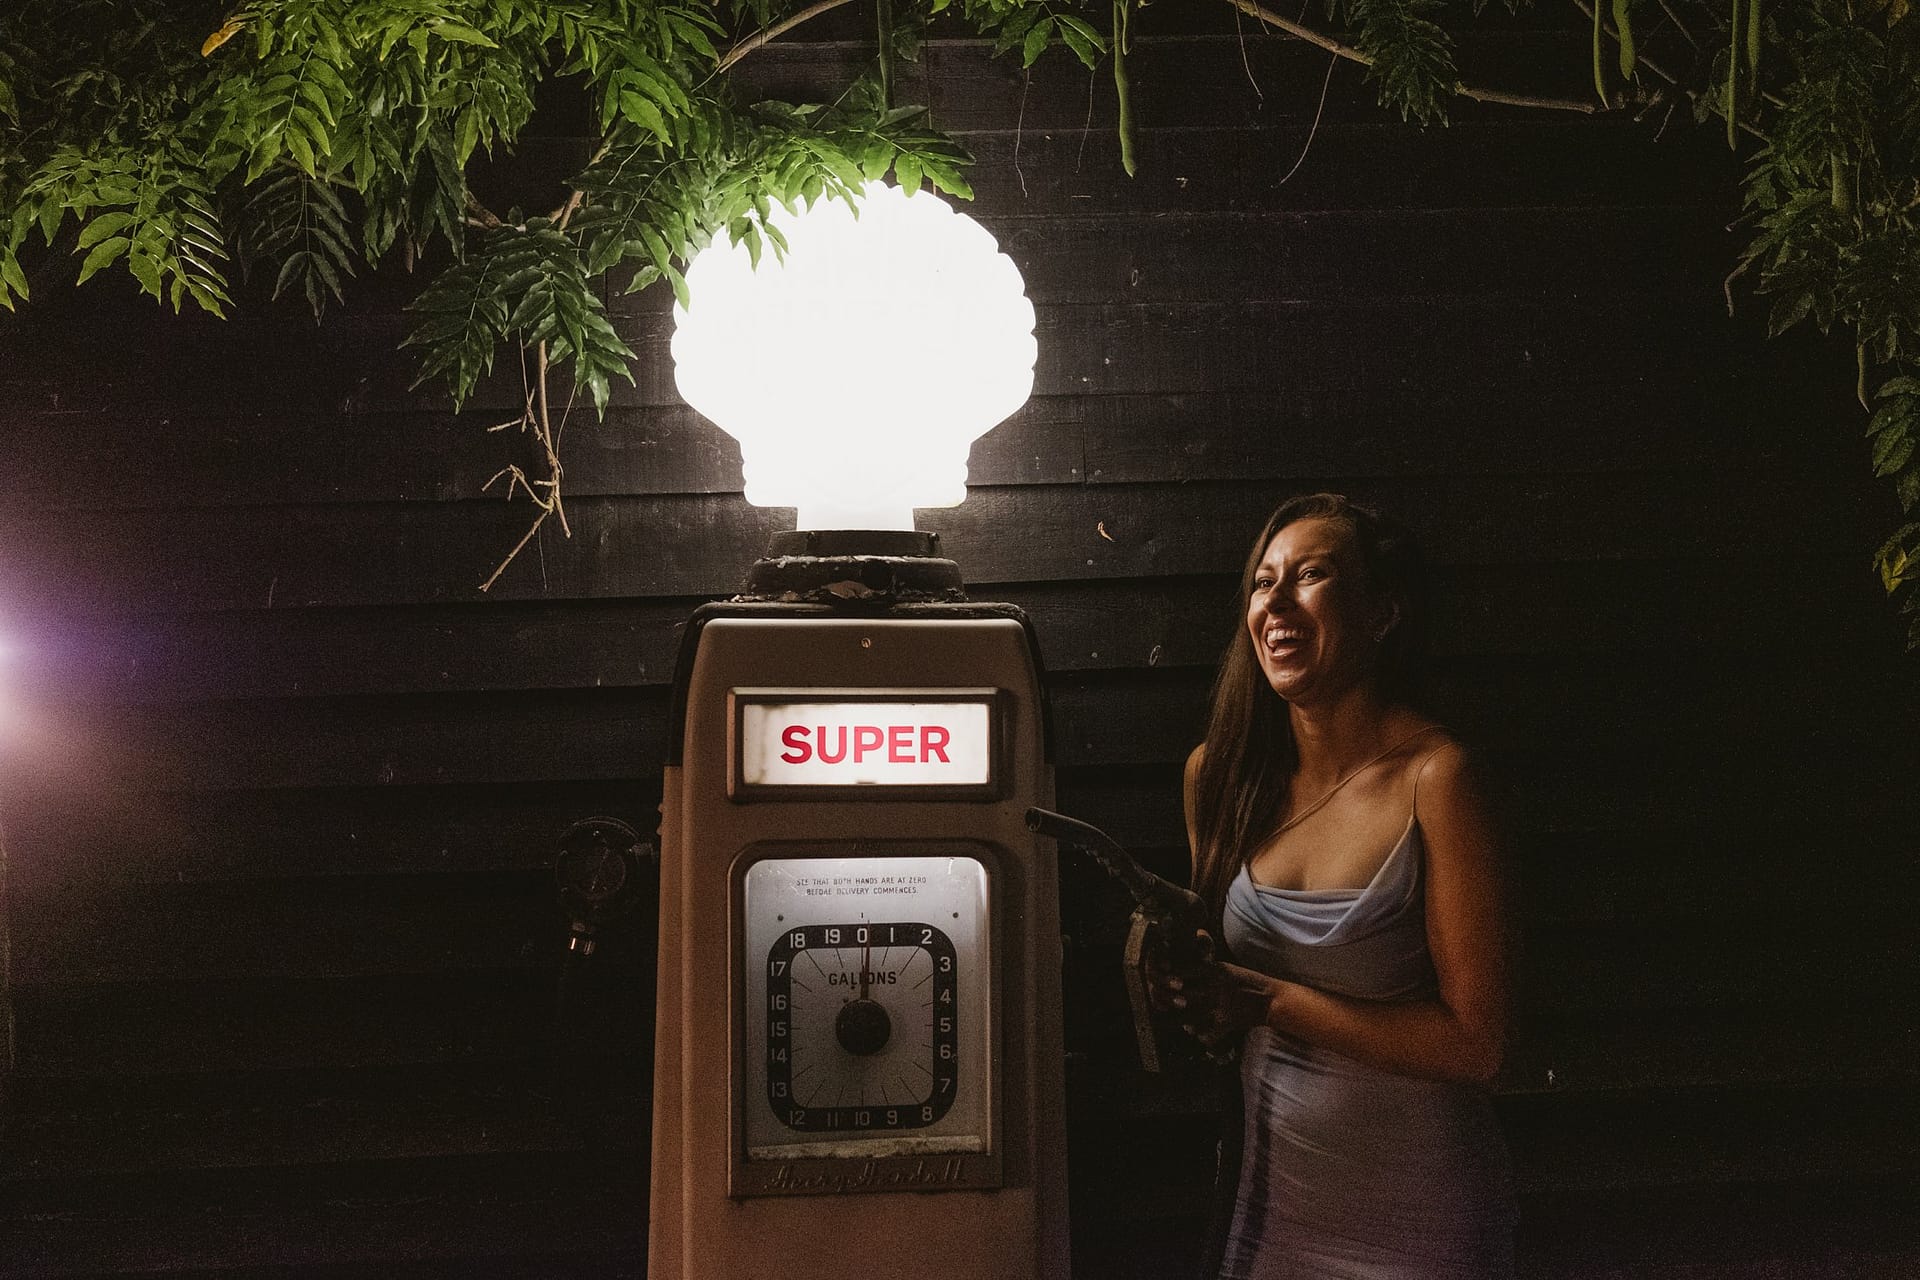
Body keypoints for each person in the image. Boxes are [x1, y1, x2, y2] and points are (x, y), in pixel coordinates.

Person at [1165, 492, 1517, 1279]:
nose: (1276, 602)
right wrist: (1191, 989)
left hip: (1416, 1204)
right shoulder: (1218, 778)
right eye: (1263, 582)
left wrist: (1266, 1001)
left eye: (1311, 575)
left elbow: (1478, 1045)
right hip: (1272, 1198)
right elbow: (1218, 991)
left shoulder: (1436, 779)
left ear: (1382, 613)